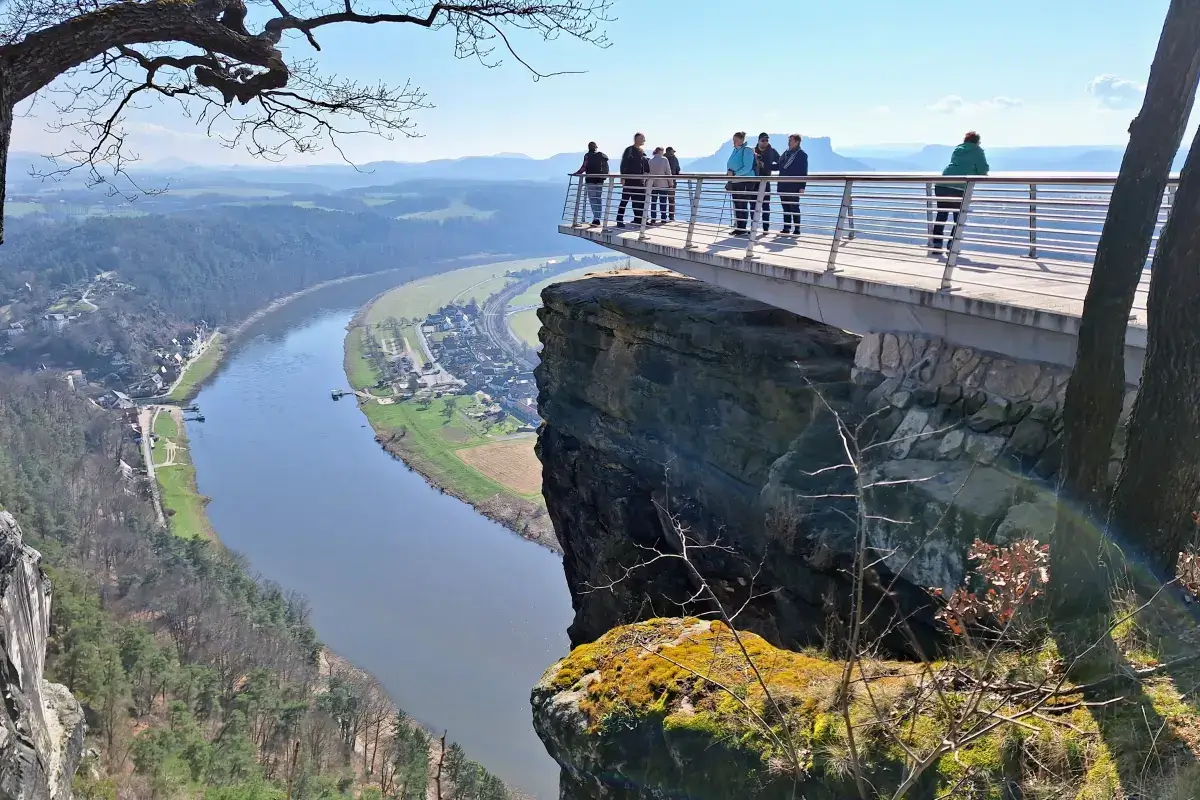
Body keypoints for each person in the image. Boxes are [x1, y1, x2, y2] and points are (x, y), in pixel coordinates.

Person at [931, 131, 989, 253]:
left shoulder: (958, 149)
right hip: (959, 187)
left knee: (941, 215)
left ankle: (936, 244)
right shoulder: (977, 150)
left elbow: (959, 165)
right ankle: (952, 245)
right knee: (959, 218)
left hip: (942, 184)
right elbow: (983, 169)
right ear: (977, 141)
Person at [725, 132, 757, 236]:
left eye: (735, 140)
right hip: (736, 181)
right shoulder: (736, 150)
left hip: (744, 181)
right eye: (733, 140)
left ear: (741, 140)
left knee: (742, 204)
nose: (733, 142)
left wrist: (734, 174)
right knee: (737, 204)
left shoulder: (747, 150)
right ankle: (739, 227)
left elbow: (747, 167)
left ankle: (742, 227)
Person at [776, 134, 809, 236]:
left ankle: (797, 228)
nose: (789, 142)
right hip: (783, 184)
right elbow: (778, 166)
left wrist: (802, 186)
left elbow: (804, 171)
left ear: (797, 142)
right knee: (785, 206)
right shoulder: (785, 153)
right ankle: (786, 227)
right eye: (789, 140)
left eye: (791, 140)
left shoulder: (801, 155)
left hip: (794, 185)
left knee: (794, 207)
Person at [616, 132, 650, 228]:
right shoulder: (629, 150)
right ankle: (619, 219)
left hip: (639, 181)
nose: (644, 140)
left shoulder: (642, 151)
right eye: (643, 138)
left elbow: (645, 165)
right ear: (637, 139)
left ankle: (639, 219)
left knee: (640, 200)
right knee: (625, 200)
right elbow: (623, 163)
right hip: (629, 180)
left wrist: (646, 175)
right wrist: (622, 177)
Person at [572, 141, 609, 225]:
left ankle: (596, 219)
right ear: (596, 147)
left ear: (589, 147)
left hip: (590, 180)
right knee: (598, 198)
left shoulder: (587, 156)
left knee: (592, 199)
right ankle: (598, 217)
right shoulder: (602, 155)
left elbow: (584, 167)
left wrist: (577, 173)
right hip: (600, 180)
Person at [753, 132, 780, 232]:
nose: (765, 142)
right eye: (763, 140)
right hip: (754, 182)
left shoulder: (772, 152)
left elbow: (780, 164)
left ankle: (765, 228)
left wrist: (767, 166)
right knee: (753, 205)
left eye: (767, 140)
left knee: (766, 206)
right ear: (759, 141)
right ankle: (754, 226)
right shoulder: (752, 151)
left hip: (766, 182)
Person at [647, 146, 673, 224]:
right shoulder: (664, 160)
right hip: (663, 184)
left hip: (653, 184)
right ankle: (663, 218)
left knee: (653, 202)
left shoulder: (650, 161)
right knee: (663, 202)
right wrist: (671, 183)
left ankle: (653, 218)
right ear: (661, 151)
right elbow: (668, 172)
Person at [664, 146, 682, 221]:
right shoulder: (674, 159)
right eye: (673, 152)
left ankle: (663, 216)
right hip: (672, 181)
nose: (673, 154)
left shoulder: (663, 158)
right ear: (670, 152)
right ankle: (671, 216)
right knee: (671, 199)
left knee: (663, 199)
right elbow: (678, 169)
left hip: (662, 181)